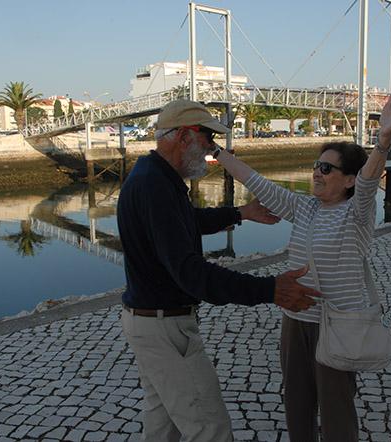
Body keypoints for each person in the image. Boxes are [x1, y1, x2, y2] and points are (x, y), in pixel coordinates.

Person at [213, 84, 391, 441]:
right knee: (297, 402)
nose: (317, 173)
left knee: (336, 408)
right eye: (315, 165)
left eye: (327, 168)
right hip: (295, 321)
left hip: (337, 324)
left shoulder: (356, 213)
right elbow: (256, 182)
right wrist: (213, 150)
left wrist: (383, 139)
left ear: (349, 179)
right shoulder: (305, 208)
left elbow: (371, 180)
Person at [116, 99, 319, 442]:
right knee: (210, 429)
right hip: (165, 328)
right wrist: (270, 289)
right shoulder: (155, 185)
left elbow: (185, 223)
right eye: (207, 138)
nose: (211, 148)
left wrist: (240, 213)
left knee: (162, 427)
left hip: (150, 321)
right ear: (182, 136)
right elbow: (191, 273)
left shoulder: (153, 176)